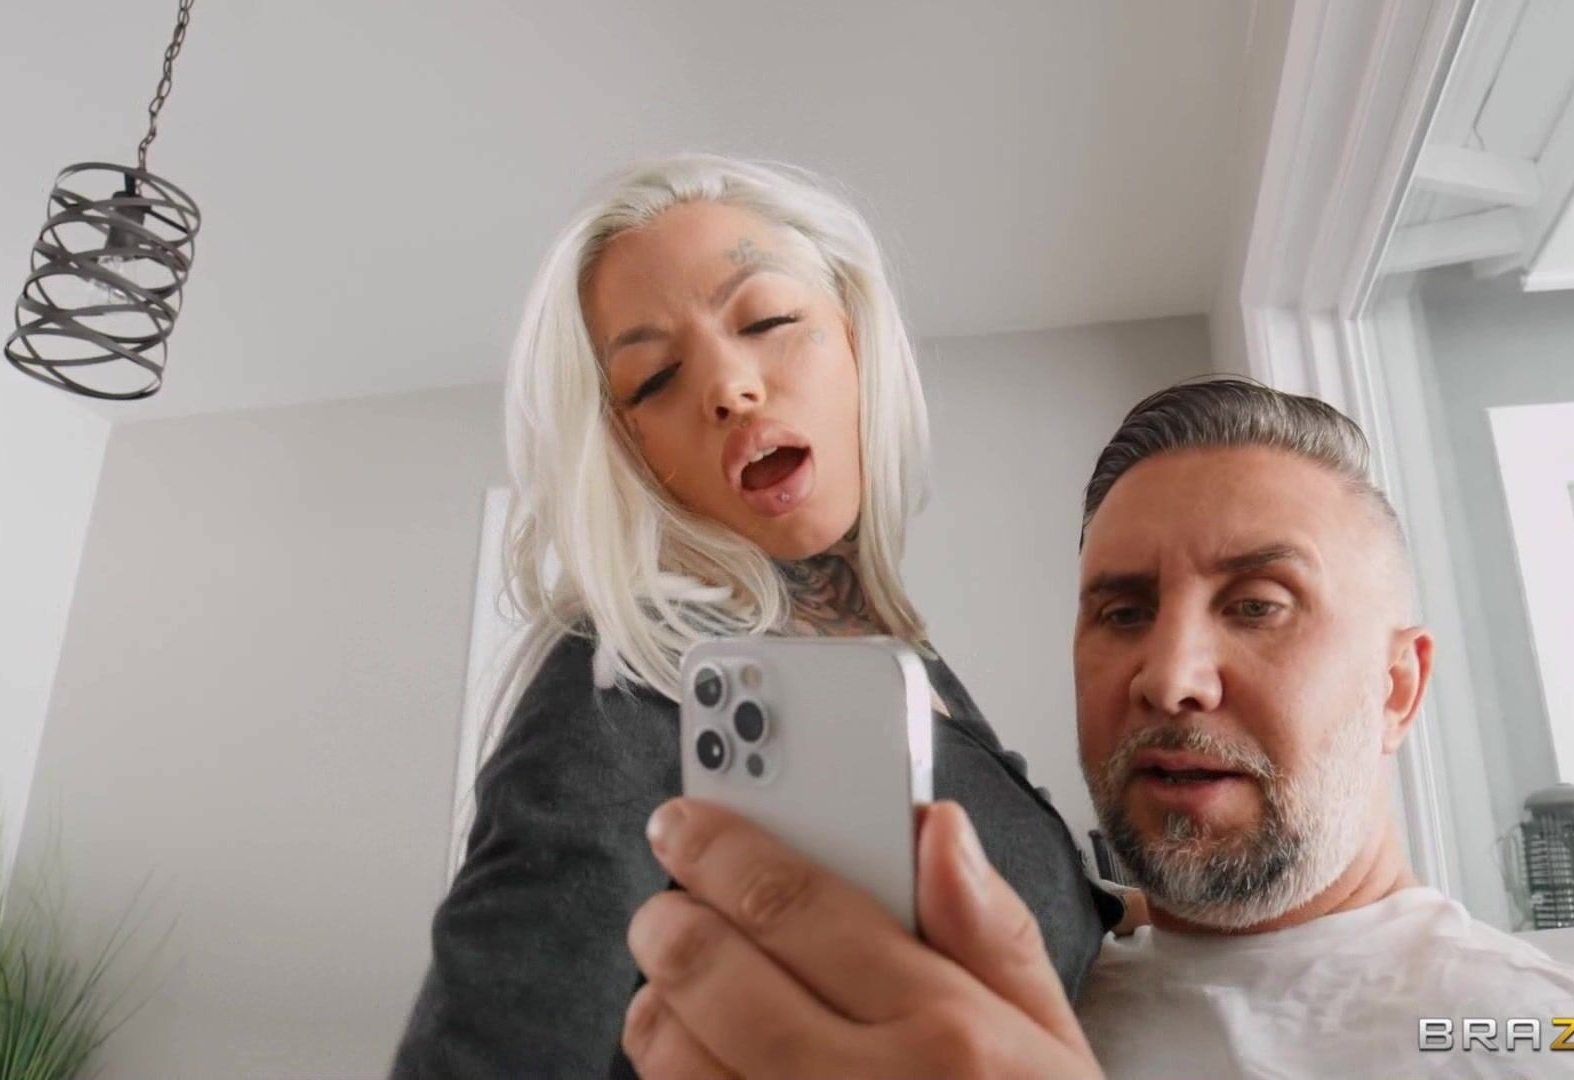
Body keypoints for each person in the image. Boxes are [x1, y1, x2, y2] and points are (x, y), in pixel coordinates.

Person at [617, 378, 1574, 1078]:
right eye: (1122, 612)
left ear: (1397, 686)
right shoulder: (975, 1004)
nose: (1169, 677)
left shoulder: (1553, 1040)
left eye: (1259, 606)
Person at [386, 154, 1118, 1079]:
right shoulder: (630, 678)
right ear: (635, 455)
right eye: (655, 379)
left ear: (858, 341)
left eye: (767, 321)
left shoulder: (902, 666)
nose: (729, 387)